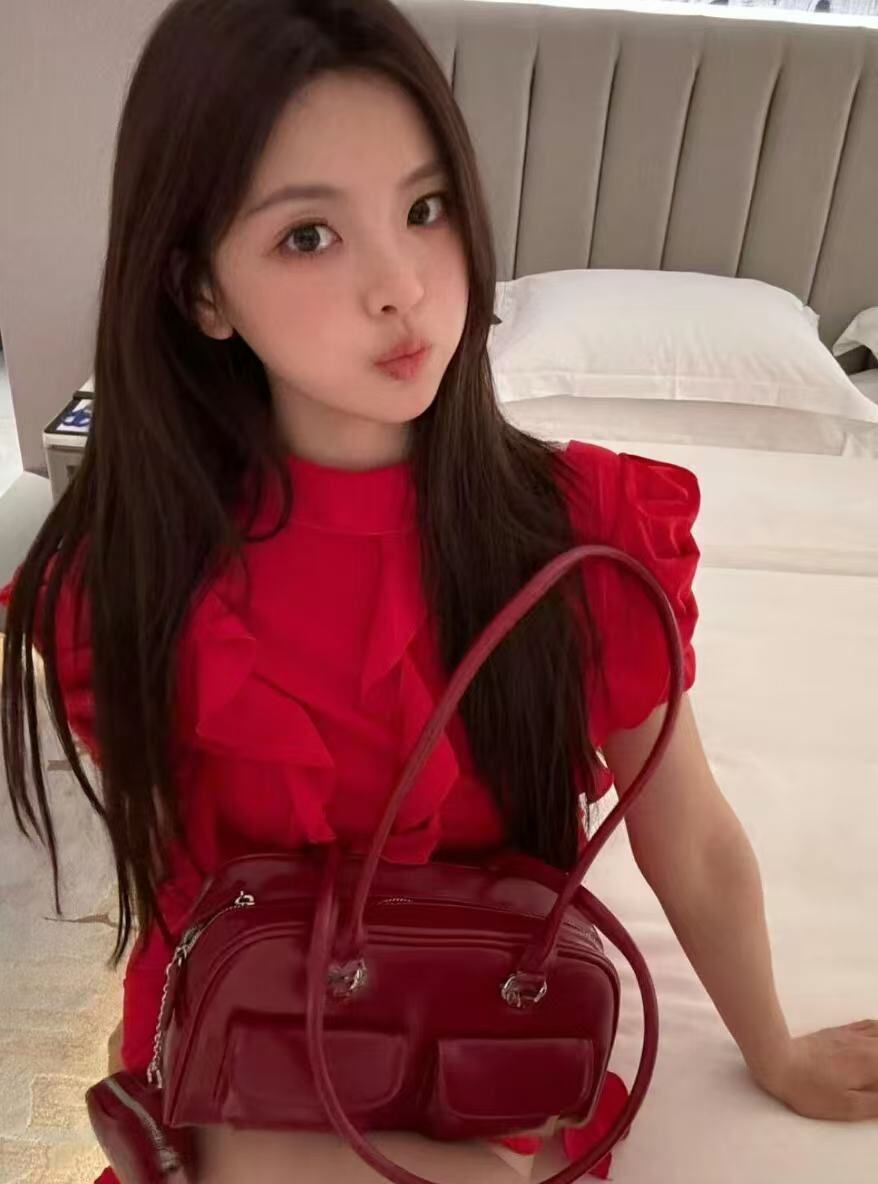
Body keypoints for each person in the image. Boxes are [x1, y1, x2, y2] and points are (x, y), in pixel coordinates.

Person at [3, 1, 877, 1181]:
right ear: (201, 290)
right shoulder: (135, 571)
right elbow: (181, 882)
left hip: (476, 1038)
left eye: (424, 210)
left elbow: (687, 831)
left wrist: (770, 1044)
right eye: (308, 236)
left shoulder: (582, 532)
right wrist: (159, 1062)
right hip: (256, 1047)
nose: (400, 286)